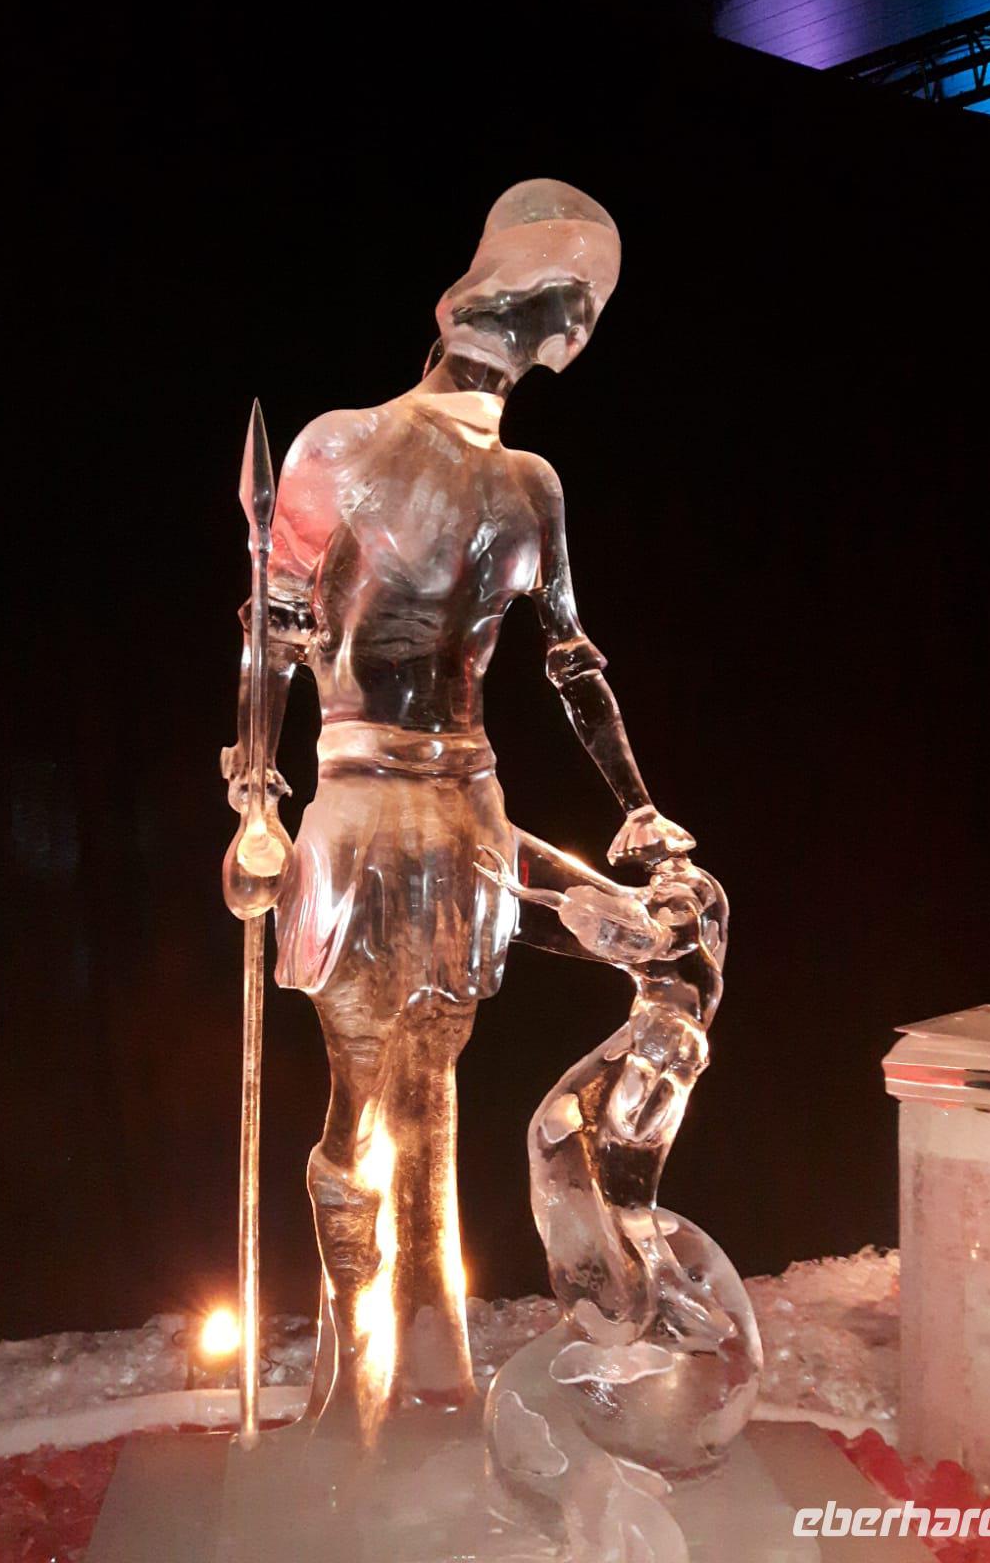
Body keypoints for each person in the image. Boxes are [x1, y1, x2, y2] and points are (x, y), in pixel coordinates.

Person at [237, 179, 693, 1441]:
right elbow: (273, 628)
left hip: (470, 814)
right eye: (582, 306)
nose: (580, 334)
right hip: (362, 804)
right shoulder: (341, 447)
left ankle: (440, 1350)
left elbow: (571, 664)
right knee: (362, 1087)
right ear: (549, 310)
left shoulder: (531, 486)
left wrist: (642, 816)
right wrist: (255, 792)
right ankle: (356, 1389)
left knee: (470, 1062)